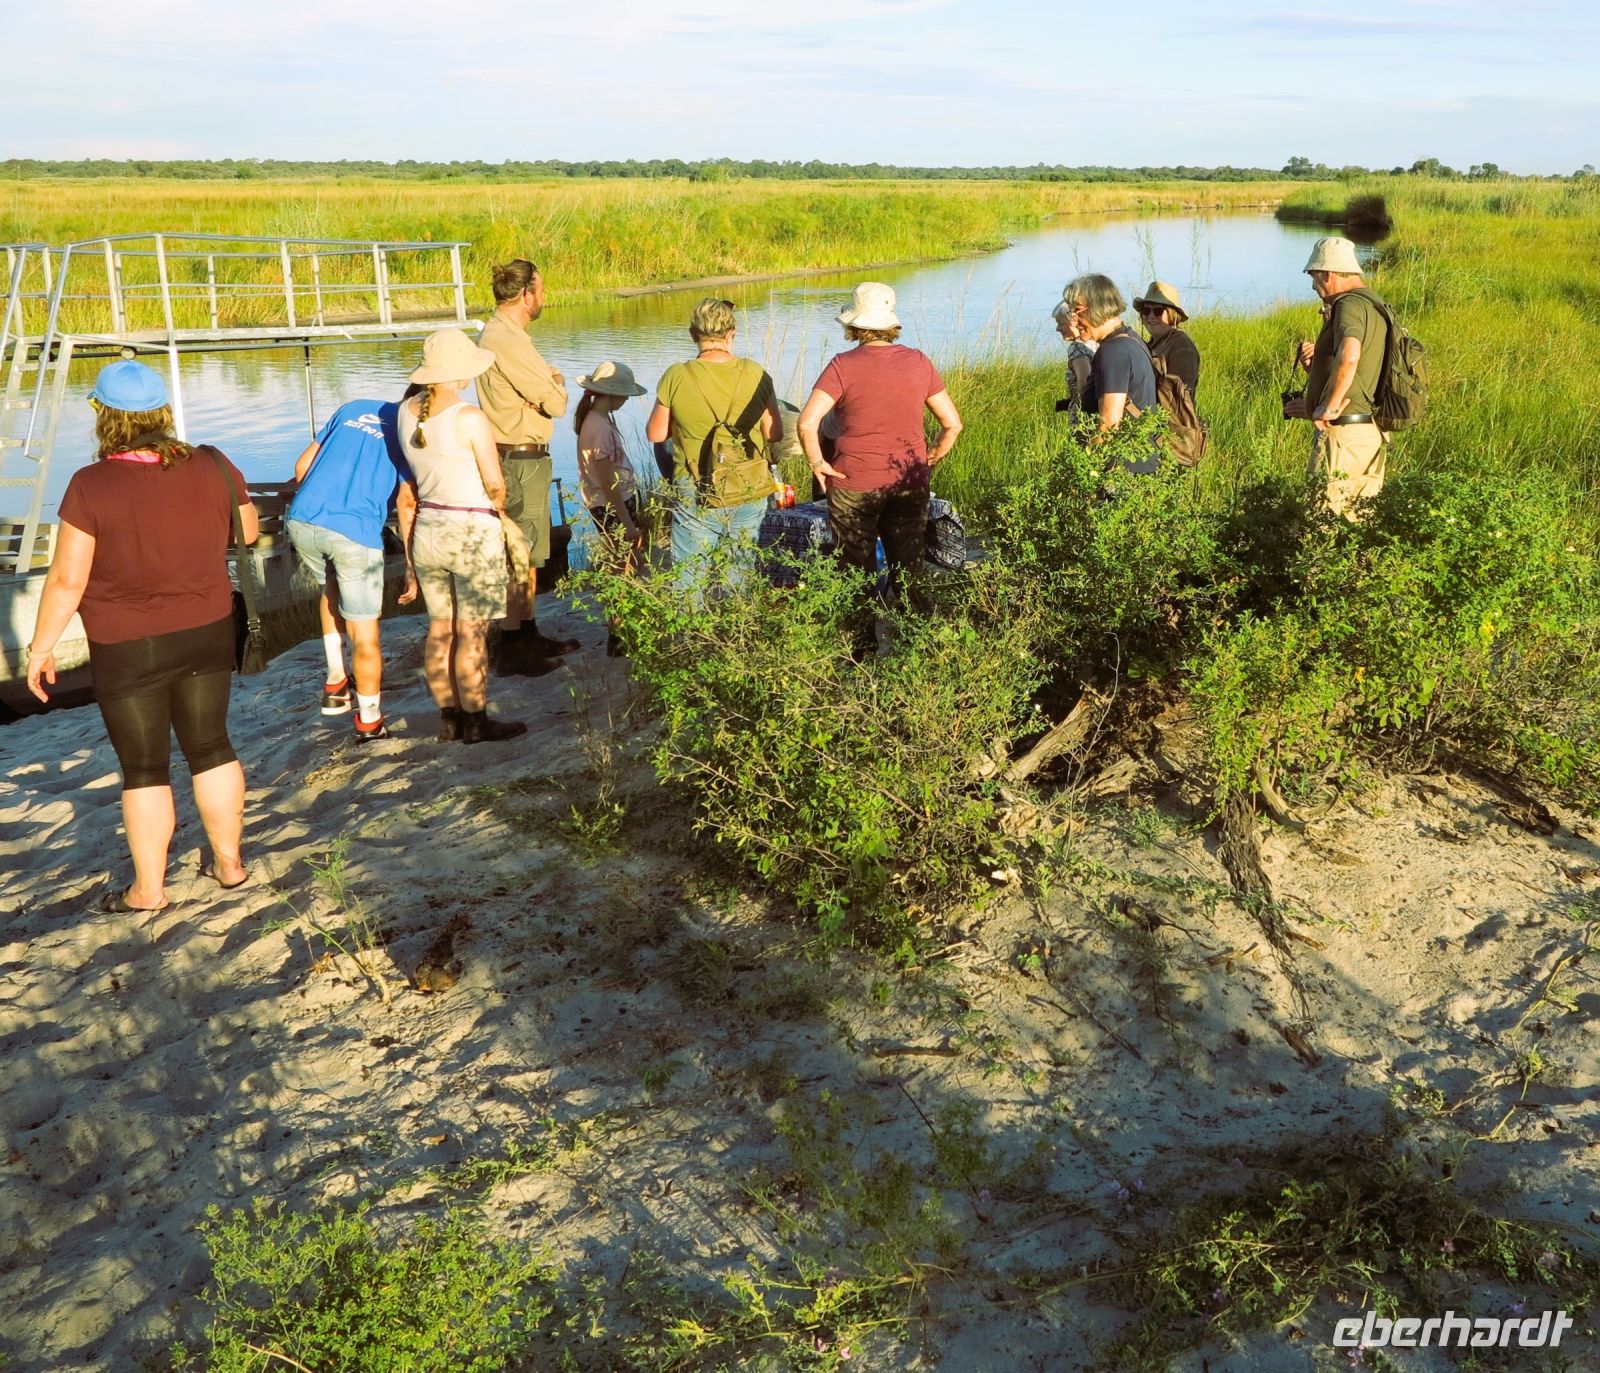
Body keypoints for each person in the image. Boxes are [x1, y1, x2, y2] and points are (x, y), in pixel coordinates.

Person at [25, 360, 256, 911]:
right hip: (205, 628)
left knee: (145, 767)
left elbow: (66, 580)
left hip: (126, 644)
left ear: (105, 417)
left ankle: (149, 890)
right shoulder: (213, 463)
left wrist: (41, 648)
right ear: (162, 413)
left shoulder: (90, 485)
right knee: (211, 746)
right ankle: (229, 865)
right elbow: (246, 531)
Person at [796, 282, 963, 658]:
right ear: (889, 324)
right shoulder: (918, 361)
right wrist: (932, 454)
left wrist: (818, 464)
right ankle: (916, 643)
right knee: (909, 564)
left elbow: (807, 423)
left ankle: (862, 650)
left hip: (853, 482)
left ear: (854, 325)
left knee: (856, 569)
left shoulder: (842, 365)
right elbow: (953, 424)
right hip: (908, 479)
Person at [398, 330, 527, 745]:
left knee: (441, 629)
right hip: (470, 526)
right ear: (459, 370)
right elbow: (494, 483)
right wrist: (503, 513)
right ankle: (476, 719)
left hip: (429, 526)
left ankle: (449, 717)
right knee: (471, 631)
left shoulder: (404, 412)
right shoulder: (468, 416)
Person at [285, 398, 419, 741]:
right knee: (365, 632)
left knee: (330, 589)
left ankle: (335, 682)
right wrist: (411, 565)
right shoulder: (411, 432)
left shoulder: (353, 408)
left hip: (303, 518)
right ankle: (370, 722)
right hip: (354, 532)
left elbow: (302, 468)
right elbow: (406, 503)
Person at [474, 257, 580, 670]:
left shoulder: (501, 334)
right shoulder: (509, 340)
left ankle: (528, 634)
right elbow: (555, 401)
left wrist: (540, 391)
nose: (544, 298)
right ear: (525, 294)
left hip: (515, 453)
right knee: (523, 552)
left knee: (529, 552)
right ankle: (516, 645)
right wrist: (552, 385)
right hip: (520, 456)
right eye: (541, 289)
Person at [645, 298, 783, 589]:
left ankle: (690, 635)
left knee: (689, 576)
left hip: (696, 486)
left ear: (693, 334)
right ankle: (737, 632)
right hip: (748, 486)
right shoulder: (756, 372)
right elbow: (775, 433)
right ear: (731, 333)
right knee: (740, 572)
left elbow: (656, 434)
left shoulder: (677, 375)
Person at [1288, 236, 1388, 519]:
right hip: (1370, 433)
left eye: (1313, 276)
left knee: (1320, 525)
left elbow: (1351, 355)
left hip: (1343, 436)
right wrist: (1315, 369)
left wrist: (1327, 408)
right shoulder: (1375, 304)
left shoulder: (1348, 305)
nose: (1313, 286)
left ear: (1328, 274)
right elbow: (1363, 368)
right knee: (1359, 526)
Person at [575, 361, 648, 655]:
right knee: (625, 567)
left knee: (625, 564)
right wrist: (628, 523)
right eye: (624, 394)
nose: (627, 399)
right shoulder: (600, 428)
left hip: (605, 504)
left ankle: (623, 629)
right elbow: (608, 483)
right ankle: (619, 633)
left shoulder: (593, 420)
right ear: (611, 394)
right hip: (612, 505)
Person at [1061, 273, 1161, 474]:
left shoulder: (1112, 352)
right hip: (1142, 462)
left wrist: (1088, 475)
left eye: (1077, 311)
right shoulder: (1132, 339)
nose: (1074, 320)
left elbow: (1108, 424)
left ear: (1097, 306)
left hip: (1122, 472)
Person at [1132, 280, 1200, 396]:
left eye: (1158, 311)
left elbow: (1178, 397)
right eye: (1146, 311)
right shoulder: (1156, 342)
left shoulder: (1182, 348)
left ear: (1172, 315)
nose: (1151, 317)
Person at [1051, 298, 1098, 417]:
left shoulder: (1077, 347)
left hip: (1083, 421)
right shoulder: (1097, 341)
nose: (1058, 329)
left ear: (1074, 321)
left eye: (1061, 323)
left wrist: (1082, 412)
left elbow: (1084, 379)